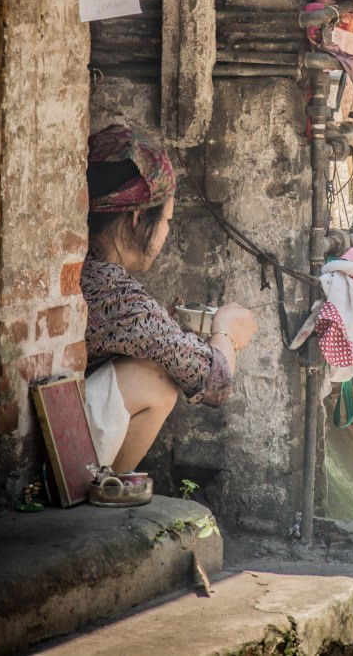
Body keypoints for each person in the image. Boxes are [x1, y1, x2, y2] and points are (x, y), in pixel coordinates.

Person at [81, 124, 257, 472]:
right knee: (157, 379)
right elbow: (214, 382)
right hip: (53, 444)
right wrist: (226, 333)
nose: (166, 232)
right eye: (167, 220)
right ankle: (102, 497)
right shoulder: (114, 292)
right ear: (136, 219)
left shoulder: (88, 270)